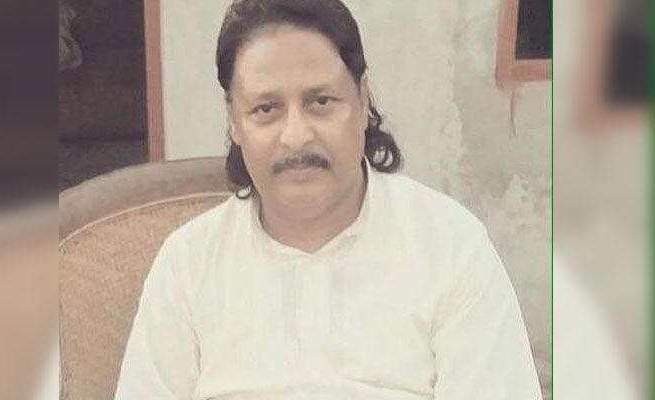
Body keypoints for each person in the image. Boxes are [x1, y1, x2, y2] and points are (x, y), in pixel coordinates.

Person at [114, 0, 542, 398]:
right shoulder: (187, 265)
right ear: (234, 121)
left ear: (362, 99)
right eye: (266, 109)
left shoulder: (450, 247)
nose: (296, 136)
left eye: (320, 101)